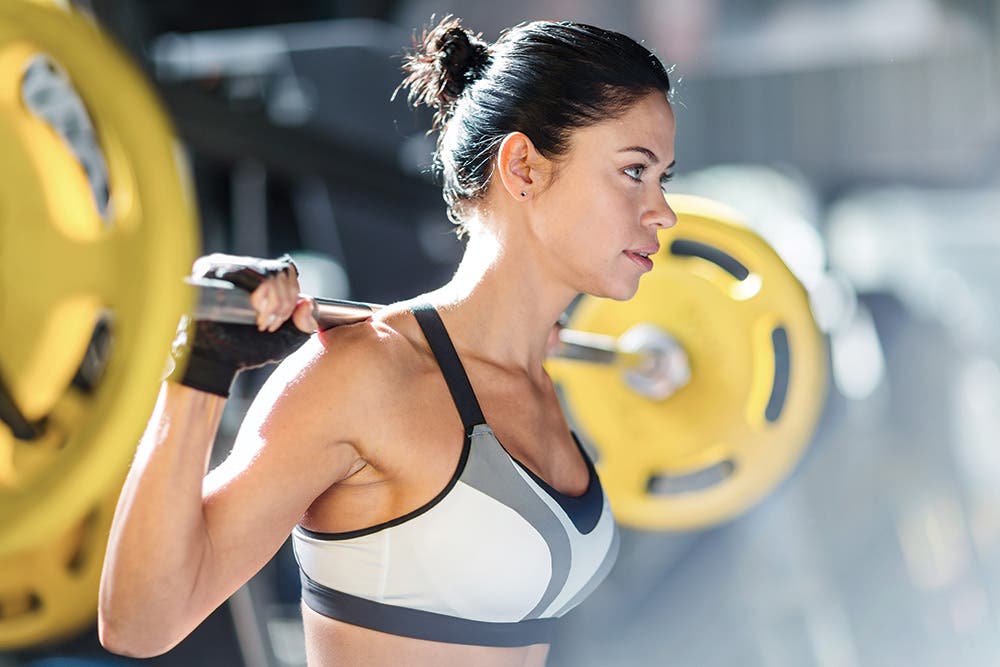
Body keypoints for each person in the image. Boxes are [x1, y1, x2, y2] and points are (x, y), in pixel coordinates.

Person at [98, 15, 677, 667]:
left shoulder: (540, 375)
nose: (664, 211)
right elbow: (139, 622)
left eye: (665, 178)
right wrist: (199, 365)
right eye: (635, 172)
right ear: (523, 167)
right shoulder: (364, 375)